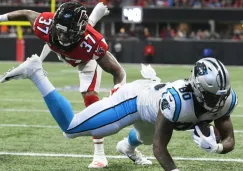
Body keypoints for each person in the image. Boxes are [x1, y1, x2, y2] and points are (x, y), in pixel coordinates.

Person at [0, 56, 237, 171]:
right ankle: (36, 72)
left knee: (143, 137)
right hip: (133, 101)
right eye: (212, 96)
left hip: (153, 111)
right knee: (71, 128)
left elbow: (229, 140)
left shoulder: (224, 99)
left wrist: (216, 148)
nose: (218, 102)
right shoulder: (176, 101)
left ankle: (127, 148)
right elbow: (160, 147)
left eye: (220, 96)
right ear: (197, 88)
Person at [0, 2, 128, 168]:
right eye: (58, 30)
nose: (60, 36)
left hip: (86, 61)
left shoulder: (92, 44)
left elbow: (119, 72)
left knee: (90, 100)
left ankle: (100, 155)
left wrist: (117, 91)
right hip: (70, 52)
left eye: (65, 33)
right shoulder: (46, 24)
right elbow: (26, 12)